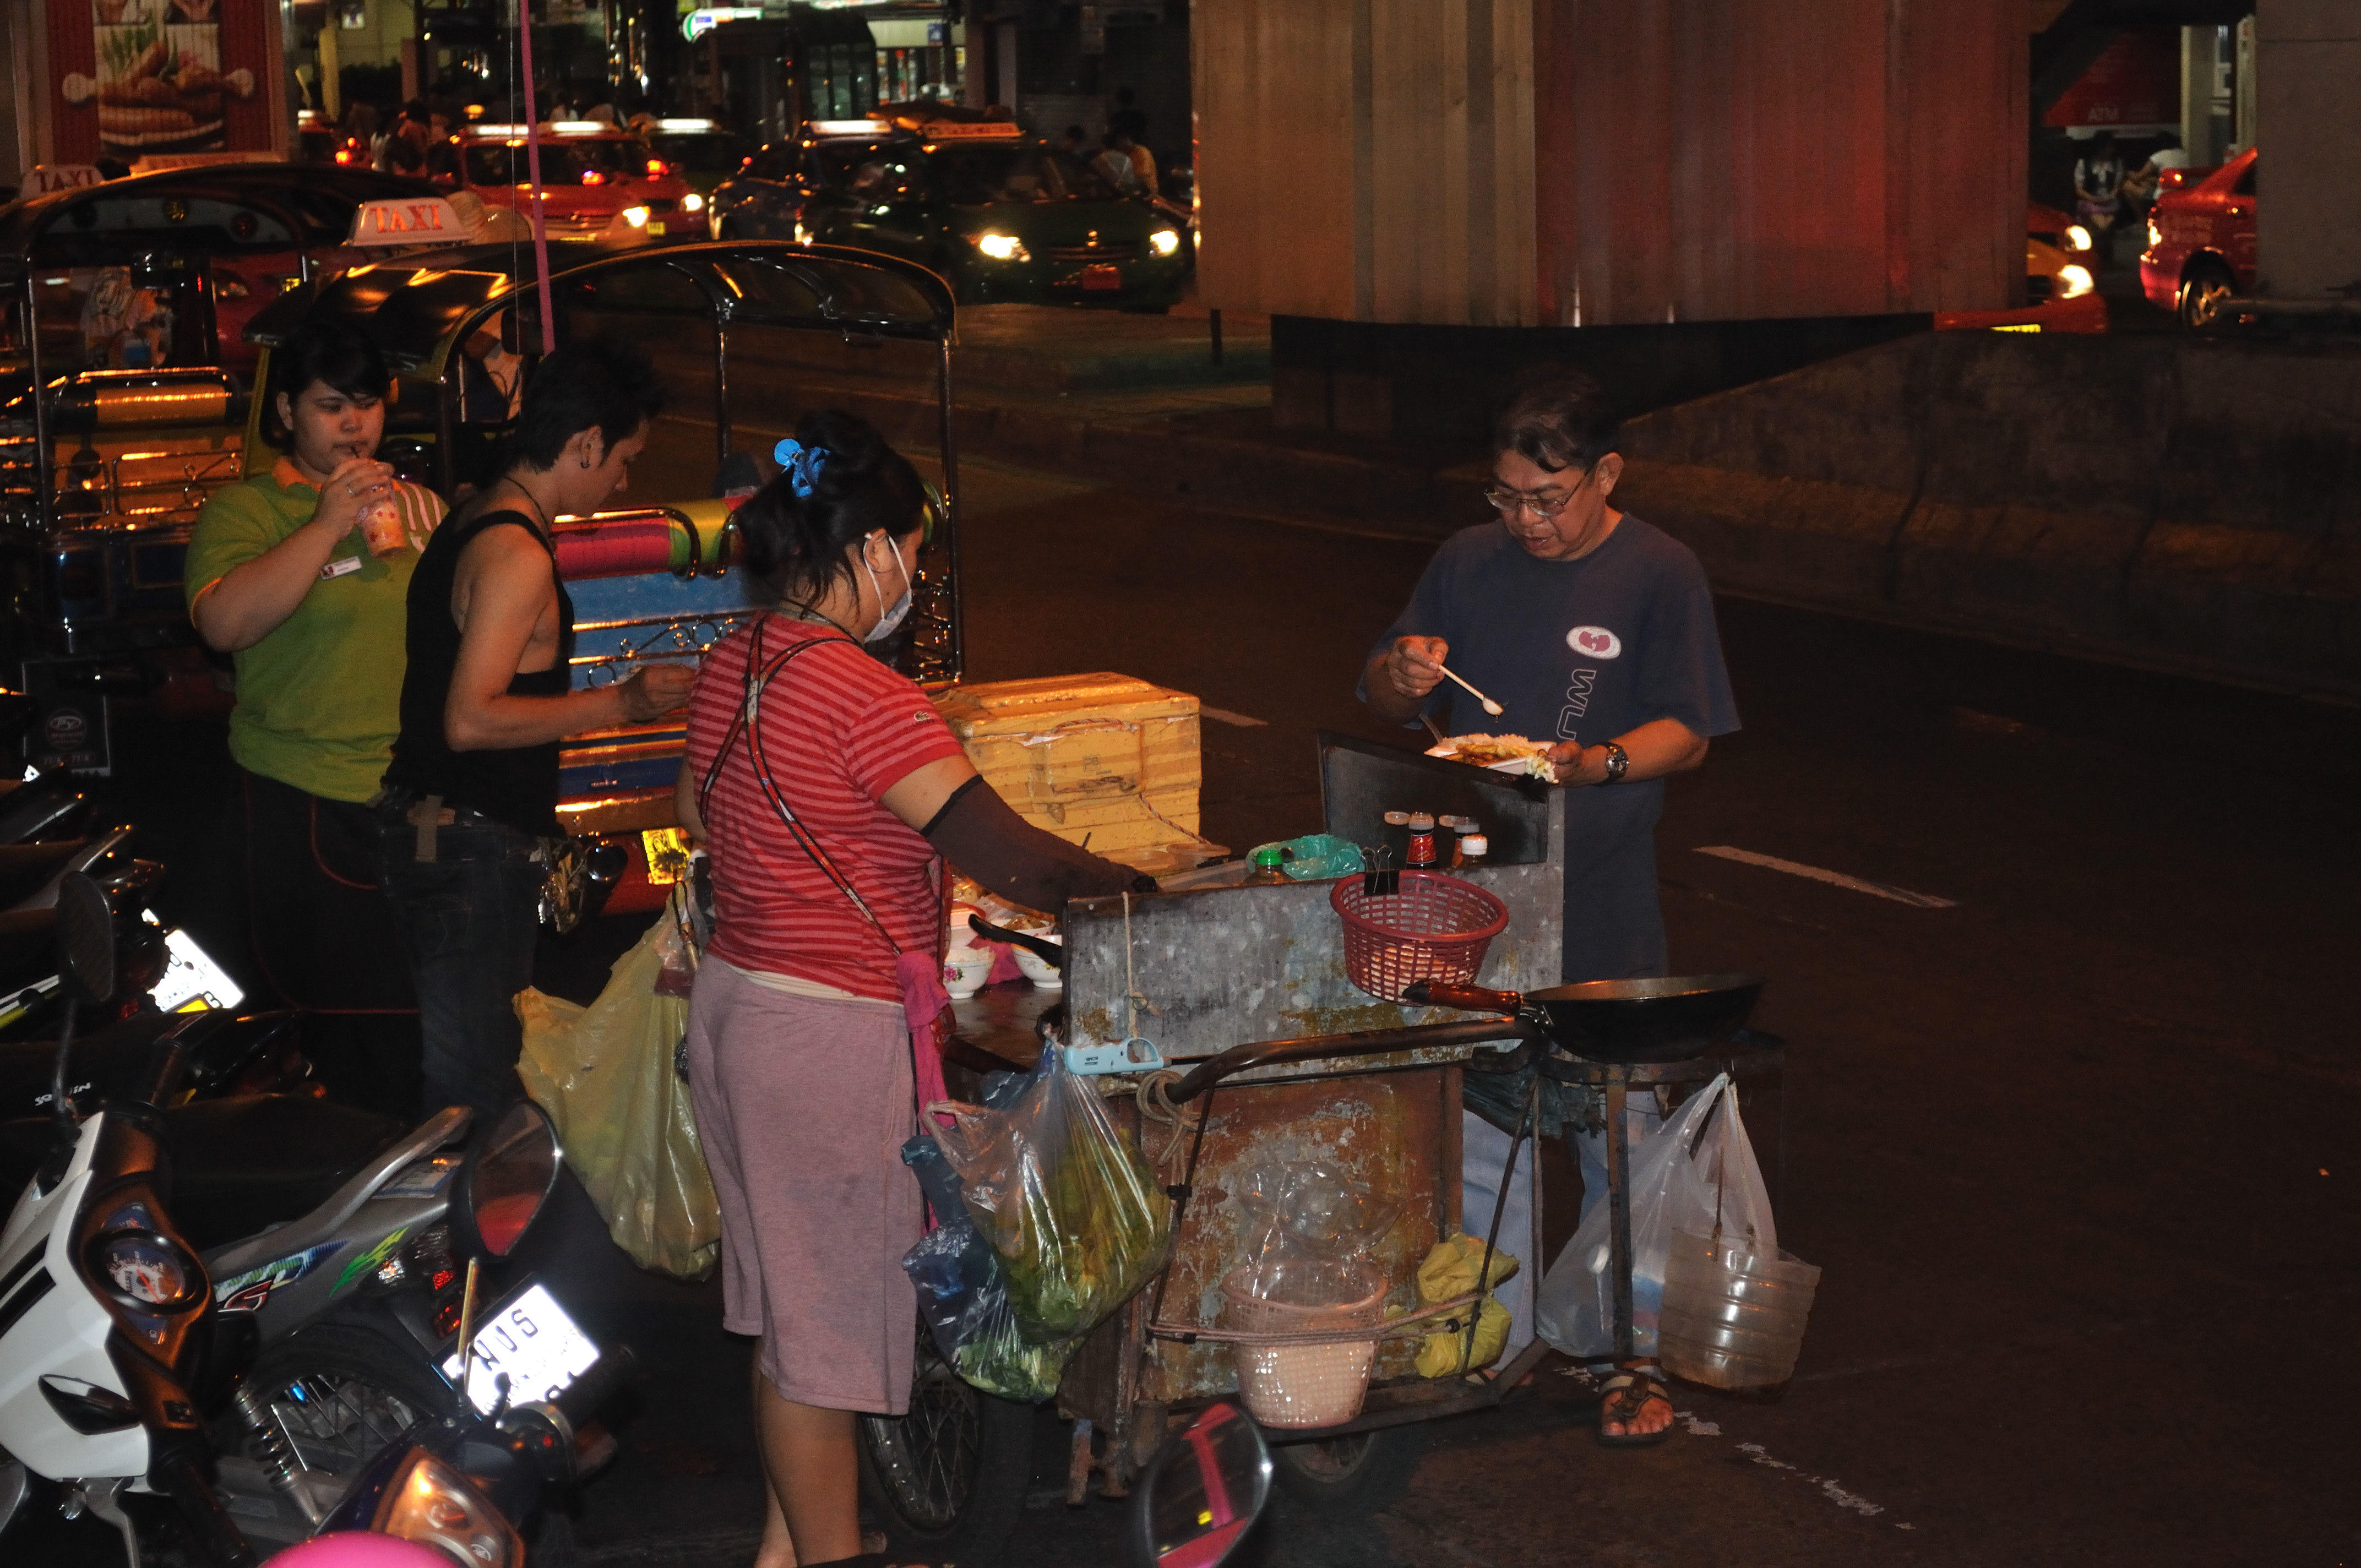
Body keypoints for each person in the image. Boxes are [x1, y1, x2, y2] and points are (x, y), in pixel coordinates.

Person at [676, 409, 1148, 1568]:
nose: (916, 574)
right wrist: (1159, 890)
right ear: (875, 547)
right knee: (825, 1333)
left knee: (796, 1314)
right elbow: (1015, 859)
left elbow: (698, 819)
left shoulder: (732, 658)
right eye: (915, 549)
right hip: (825, 1038)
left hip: (739, 1009)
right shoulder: (863, 694)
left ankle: (783, 1554)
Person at [1361, 368, 1739, 1445]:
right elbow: (1390, 694)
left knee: (1619, 1125)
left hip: (1604, 892)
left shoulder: (1657, 571)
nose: (1523, 519)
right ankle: (1507, 1342)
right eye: (1505, 496)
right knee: (1490, 1120)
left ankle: (1632, 1356)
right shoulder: (1464, 561)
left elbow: (1691, 727)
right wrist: (1403, 664)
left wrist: (1597, 761)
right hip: (1480, 887)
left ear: (1604, 473)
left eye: (1546, 496)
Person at [378, 339, 697, 1117]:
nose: (625, 478)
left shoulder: (474, 517)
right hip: (467, 846)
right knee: (475, 1084)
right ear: (585, 441)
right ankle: (457, 1233)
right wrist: (624, 704)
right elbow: (470, 718)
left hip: (439, 832)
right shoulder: (514, 553)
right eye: (623, 458)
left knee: (475, 1064)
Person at [183, 317, 446, 1117]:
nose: (354, 424)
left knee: (431, 1009)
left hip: (418, 799)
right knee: (341, 1020)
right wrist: (327, 523)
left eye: (367, 405)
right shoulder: (248, 511)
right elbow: (224, 628)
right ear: (290, 411)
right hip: (304, 797)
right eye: (333, 406)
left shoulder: (419, 507)